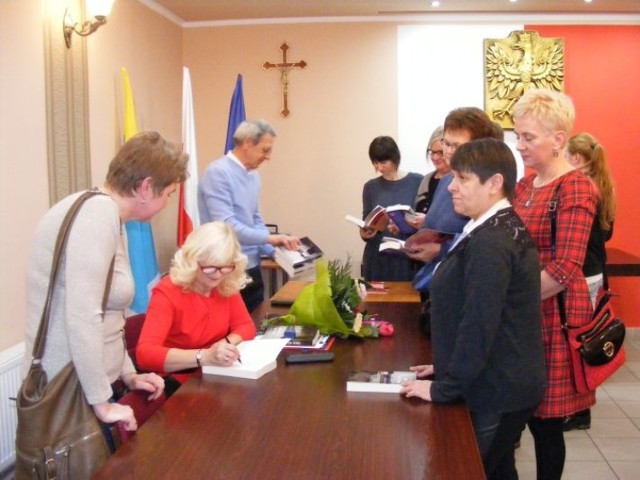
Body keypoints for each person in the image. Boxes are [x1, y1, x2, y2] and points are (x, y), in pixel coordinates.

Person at [24, 131, 187, 439]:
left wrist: (128, 374)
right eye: (169, 193)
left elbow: (110, 314)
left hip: (89, 383)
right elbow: (84, 317)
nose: (168, 203)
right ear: (145, 187)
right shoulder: (96, 216)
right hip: (70, 392)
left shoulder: (110, 216)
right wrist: (102, 403)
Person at [401, 138, 545, 480]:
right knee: (497, 471)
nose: (451, 187)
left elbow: (480, 324)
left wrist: (444, 388)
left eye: (462, 179)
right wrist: (445, 365)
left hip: (497, 389)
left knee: (467, 470)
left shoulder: (492, 242)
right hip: (499, 381)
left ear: (494, 183)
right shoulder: (489, 226)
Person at [512, 89, 598, 479]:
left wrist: (510, 301)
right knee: (520, 414)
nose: (519, 144)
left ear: (559, 139)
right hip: (525, 313)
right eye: (518, 135)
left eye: (528, 137)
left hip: (550, 317)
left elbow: (565, 267)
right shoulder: (526, 185)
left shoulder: (575, 187)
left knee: (546, 424)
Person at [136, 222, 257, 396]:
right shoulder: (168, 291)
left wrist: (223, 345)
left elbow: (246, 326)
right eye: (209, 268)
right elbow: (145, 354)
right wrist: (204, 356)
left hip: (216, 376)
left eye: (225, 267)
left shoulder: (226, 283)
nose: (217, 275)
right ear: (192, 261)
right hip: (179, 384)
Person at [198, 119, 299, 312]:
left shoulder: (253, 175)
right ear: (247, 143)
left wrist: (275, 252)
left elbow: (256, 220)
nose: (268, 157)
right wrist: (271, 239)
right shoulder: (218, 172)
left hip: (252, 267)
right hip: (224, 271)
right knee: (230, 333)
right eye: (265, 149)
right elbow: (226, 226)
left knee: (255, 326)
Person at [561, 132, 617, 432]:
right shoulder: (604, 186)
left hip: (581, 272)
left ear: (577, 159)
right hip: (595, 270)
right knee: (588, 340)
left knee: (578, 343)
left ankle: (580, 409)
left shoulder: (580, 189)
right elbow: (606, 234)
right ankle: (583, 408)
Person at [359, 135, 422, 281]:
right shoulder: (370, 187)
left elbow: (426, 222)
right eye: (375, 162)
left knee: (406, 300)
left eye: (383, 162)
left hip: (406, 255)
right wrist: (364, 232)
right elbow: (366, 220)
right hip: (378, 256)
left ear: (395, 158)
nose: (379, 167)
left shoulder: (417, 181)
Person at [410, 126, 448, 228]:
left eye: (440, 152)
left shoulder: (456, 181)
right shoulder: (426, 180)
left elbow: (456, 222)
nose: (435, 157)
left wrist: (428, 221)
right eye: (432, 152)